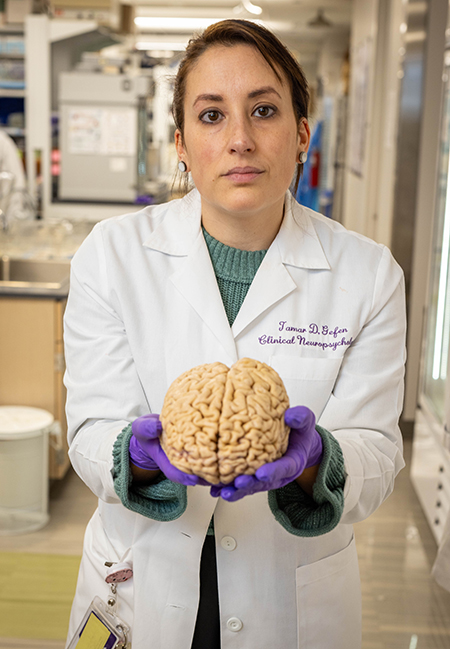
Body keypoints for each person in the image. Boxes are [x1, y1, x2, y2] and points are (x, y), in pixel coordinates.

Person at [63, 19, 406, 649]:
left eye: (265, 110)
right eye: (212, 115)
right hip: (141, 575)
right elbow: (89, 428)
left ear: (302, 134)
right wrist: (132, 459)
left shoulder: (368, 275)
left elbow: (378, 452)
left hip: (293, 596)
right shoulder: (111, 255)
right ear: (182, 144)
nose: (241, 140)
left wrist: (316, 464)